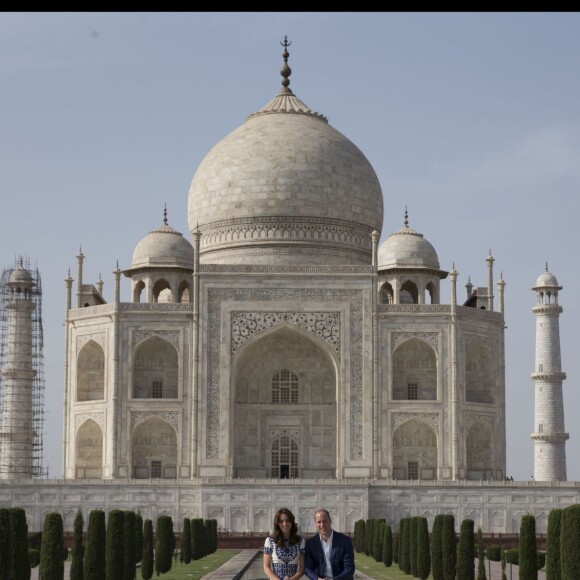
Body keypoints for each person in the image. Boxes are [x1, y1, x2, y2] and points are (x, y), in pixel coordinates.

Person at [304, 509, 354, 580]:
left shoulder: (345, 541)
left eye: (324, 521)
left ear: (330, 521)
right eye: (319, 522)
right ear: (315, 523)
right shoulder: (310, 543)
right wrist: (317, 579)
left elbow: (349, 568)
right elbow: (308, 568)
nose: (322, 525)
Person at [263, 507, 305, 580]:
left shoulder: (300, 541)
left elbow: (302, 567)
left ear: (292, 522)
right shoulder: (270, 541)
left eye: (287, 520)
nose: (285, 524)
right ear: (277, 523)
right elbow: (266, 567)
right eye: (281, 521)